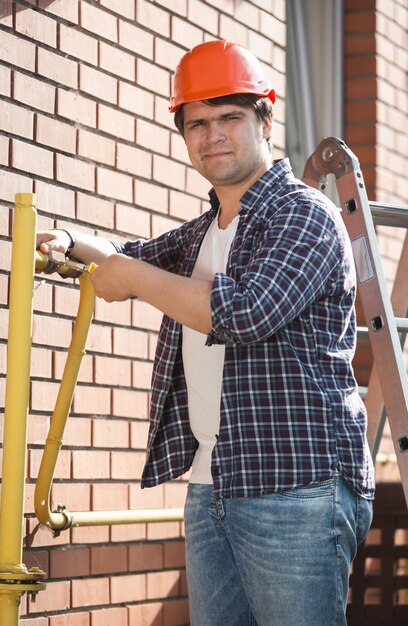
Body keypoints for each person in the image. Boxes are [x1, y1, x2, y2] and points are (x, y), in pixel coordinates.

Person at [37, 40, 375, 626]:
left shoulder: (304, 214)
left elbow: (246, 313)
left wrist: (134, 278)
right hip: (213, 485)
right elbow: (126, 254)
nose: (213, 134)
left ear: (266, 119)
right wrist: (70, 243)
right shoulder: (202, 233)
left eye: (229, 118)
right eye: (197, 123)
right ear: (184, 134)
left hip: (296, 489)